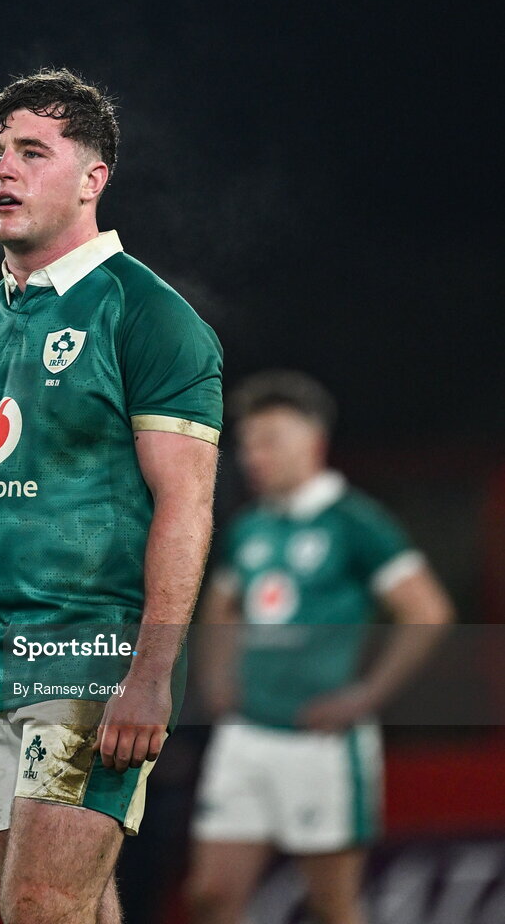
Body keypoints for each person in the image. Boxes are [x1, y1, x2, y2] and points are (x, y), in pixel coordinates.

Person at [0, 67, 223, 924]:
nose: (4, 170)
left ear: (92, 179)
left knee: (40, 901)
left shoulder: (147, 315)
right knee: (62, 904)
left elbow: (186, 506)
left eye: (33, 152)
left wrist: (151, 670)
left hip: (94, 652)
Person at [185, 371, 454, 924]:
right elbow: (222, 605)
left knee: (332, 906)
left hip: (320, 744)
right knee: (210, 896)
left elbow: (428, 613)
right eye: (248, 443)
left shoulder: (355, 523)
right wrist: (217, 678)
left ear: (313, 440)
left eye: (270, 440)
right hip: (245, 735)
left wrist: (364, 696)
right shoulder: (251, 526)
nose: (254, 456)